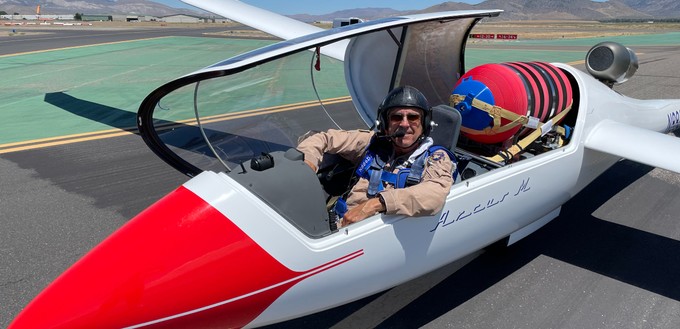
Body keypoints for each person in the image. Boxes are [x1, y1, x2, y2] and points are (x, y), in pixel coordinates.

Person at [297, 85, 456, 227]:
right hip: (337, 223)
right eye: (396, 117)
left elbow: (435, 194)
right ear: (385, 125)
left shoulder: (436, 157)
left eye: (413, 117)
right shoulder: (373, 142)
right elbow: (323, 138)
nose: (404, 124)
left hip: (374, 235)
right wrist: (308, 163)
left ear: (425, 124)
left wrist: (376, 204)